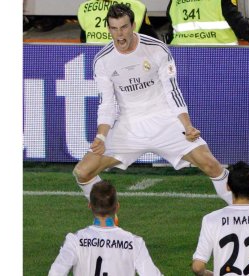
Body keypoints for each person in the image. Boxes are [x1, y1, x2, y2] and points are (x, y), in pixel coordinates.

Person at [73, 3, 233, 206]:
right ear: (108, 29)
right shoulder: (103, 60)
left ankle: (242, 213)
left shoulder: (156, 48)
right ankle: (108, 220)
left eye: (123, 27)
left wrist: (187, 125)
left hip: (165, 120)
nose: (119, 34)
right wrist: (101, 136)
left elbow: (172, 90)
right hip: (128, 126)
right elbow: (107, 104)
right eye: (114, 28)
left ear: (133, 26)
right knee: (82, 172)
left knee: (211, 165)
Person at [48, 181, 163, 276]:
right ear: (117, 207)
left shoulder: (75, 240)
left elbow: (55, 273)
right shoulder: (134, 242)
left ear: (90, 205)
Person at [166, 0, 249, 45]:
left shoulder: (175, 1)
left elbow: (171, 32)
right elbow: (240, 25)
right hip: (221, 59)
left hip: (183, 61)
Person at [77, 0, 159, 43]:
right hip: (126, 63)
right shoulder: (136, 6)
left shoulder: (84, 8)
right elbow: (153, 41)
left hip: (93, 60)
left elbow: (83, 40)